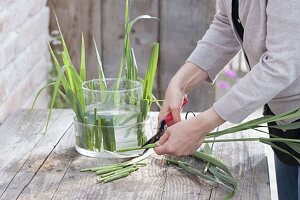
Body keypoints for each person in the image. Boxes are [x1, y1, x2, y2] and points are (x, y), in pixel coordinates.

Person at [153, 0, 300, 199]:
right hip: (283, 120)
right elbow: (228, 23)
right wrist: (180, 83)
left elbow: (280, 65)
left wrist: (200, 126)